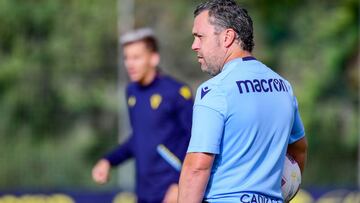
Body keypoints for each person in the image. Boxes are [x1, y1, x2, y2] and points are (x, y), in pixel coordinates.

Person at [178, 1, 308, 203]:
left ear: (227, 37)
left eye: (199, 37)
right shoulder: (284, 87)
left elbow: (197, 167)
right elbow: (299, 149)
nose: (194, 45)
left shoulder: (214, 90)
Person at [92, 28, 193, 203]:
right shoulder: (132, 92)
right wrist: (108, 160)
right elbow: (139, 138)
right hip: (144, 193)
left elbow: (196, 141)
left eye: (136, 57)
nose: (129, 64)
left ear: (154, 58)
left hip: (172, 192)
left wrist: (180, 184)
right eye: (126, 57)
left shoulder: (176, 92)